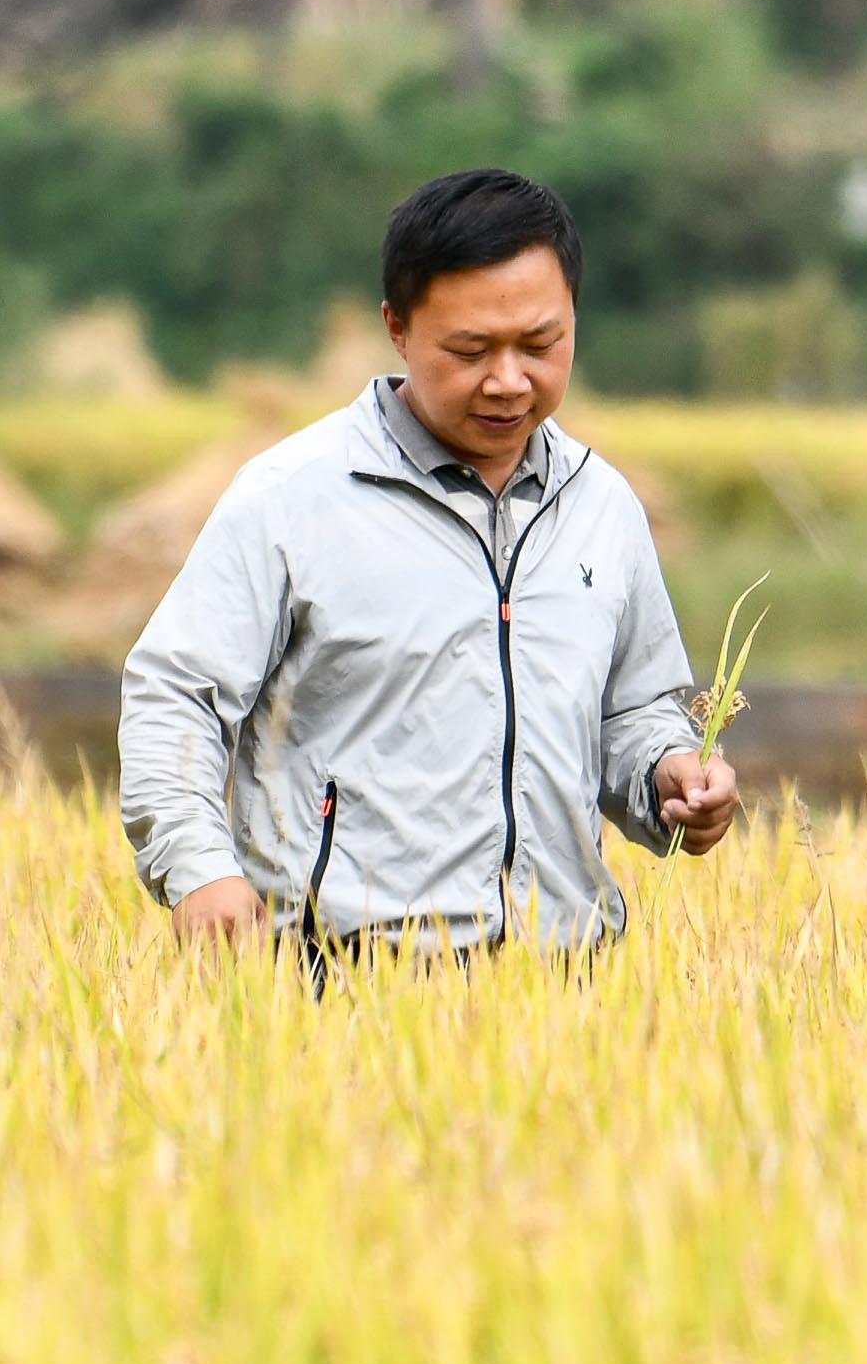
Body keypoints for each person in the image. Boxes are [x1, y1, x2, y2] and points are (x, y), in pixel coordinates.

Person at [122, 167, 739, 964]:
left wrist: (668, 773)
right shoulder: (293, 498)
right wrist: (199, 868)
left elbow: (632, 710)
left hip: (562, 986)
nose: (509, 380)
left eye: (541, 345)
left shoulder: (602, 506)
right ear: (398, 328)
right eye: (470, 350)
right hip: (339, 980)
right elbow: (177, 695)